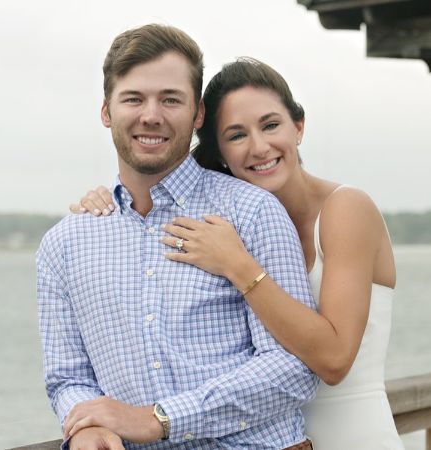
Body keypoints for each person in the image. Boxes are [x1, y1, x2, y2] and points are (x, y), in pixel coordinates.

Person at [74, 58, 405, 450]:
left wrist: (237, 265)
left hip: (354, 436)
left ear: (298, 127)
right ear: (220, 152)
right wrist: (111, 203)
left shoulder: (346, 208)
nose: (259, 146)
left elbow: (334, 360)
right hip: (273, 436)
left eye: (270, 125)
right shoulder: (238, 223)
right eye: (236, 135)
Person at [37, 25, 318, 450]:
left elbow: (294, 368)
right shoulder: (64, 245)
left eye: (170, 99)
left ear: (198, 114)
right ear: (106, 112)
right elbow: (67, 378)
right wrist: (88, 424)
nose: (151, 115)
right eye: (134, 98)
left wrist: (159, 419)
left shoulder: (253, 212)